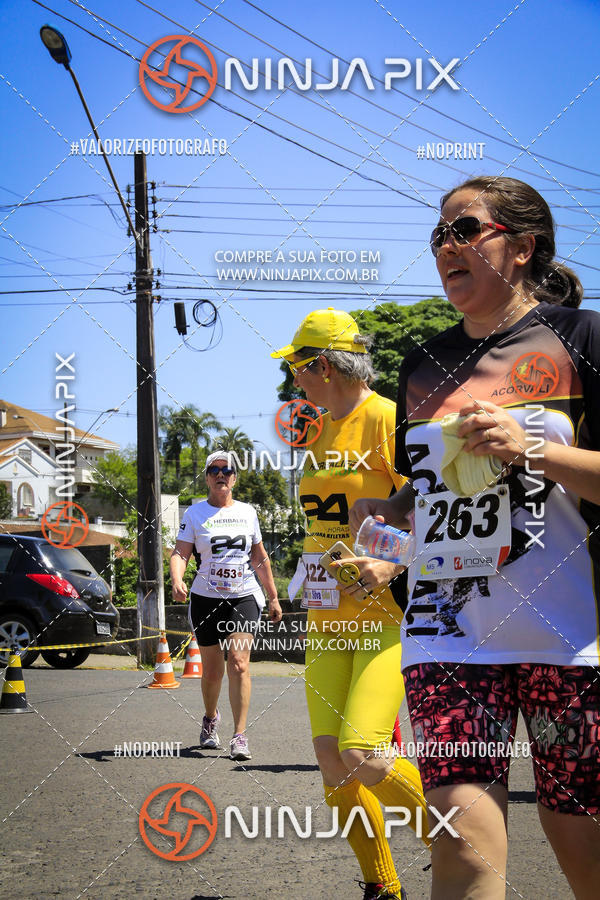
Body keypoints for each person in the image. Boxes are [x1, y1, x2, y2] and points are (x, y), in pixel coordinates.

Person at [351, 176, 600, 899]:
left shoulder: (583, 339)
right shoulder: (423, 363)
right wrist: (384, 542)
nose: (446, 246)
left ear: (520, 248)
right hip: (450, 634)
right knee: (460, 832)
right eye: (438, 234)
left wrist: (532, 449)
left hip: (571, 636)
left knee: (583, 847)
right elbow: (427, 488)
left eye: (465, 230)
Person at [271, 309, 428, 900]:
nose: (293, 379)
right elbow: (326, 522)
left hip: (387, 617)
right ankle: (381, 886)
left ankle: (459, 847)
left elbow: (439, 509)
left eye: (297, 365)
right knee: (332, 764)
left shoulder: (389, 419)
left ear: (324, 365)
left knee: (363, 752)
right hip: (325, 616)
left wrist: (392, 559)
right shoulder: (317, 431)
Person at [170, 450, 282, 761]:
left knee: (239, 662)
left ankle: (239, 736)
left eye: (227, 470)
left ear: (234, 477)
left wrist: (272, 596)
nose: (221, 474)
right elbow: (180, 553)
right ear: (206, 477)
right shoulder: (194, 514)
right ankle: (210, 719)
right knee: (213, 671)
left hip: (243, 596)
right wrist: (177, 579)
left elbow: (259, 558)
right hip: (206, 598)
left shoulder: (248, 513)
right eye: (214, 469)